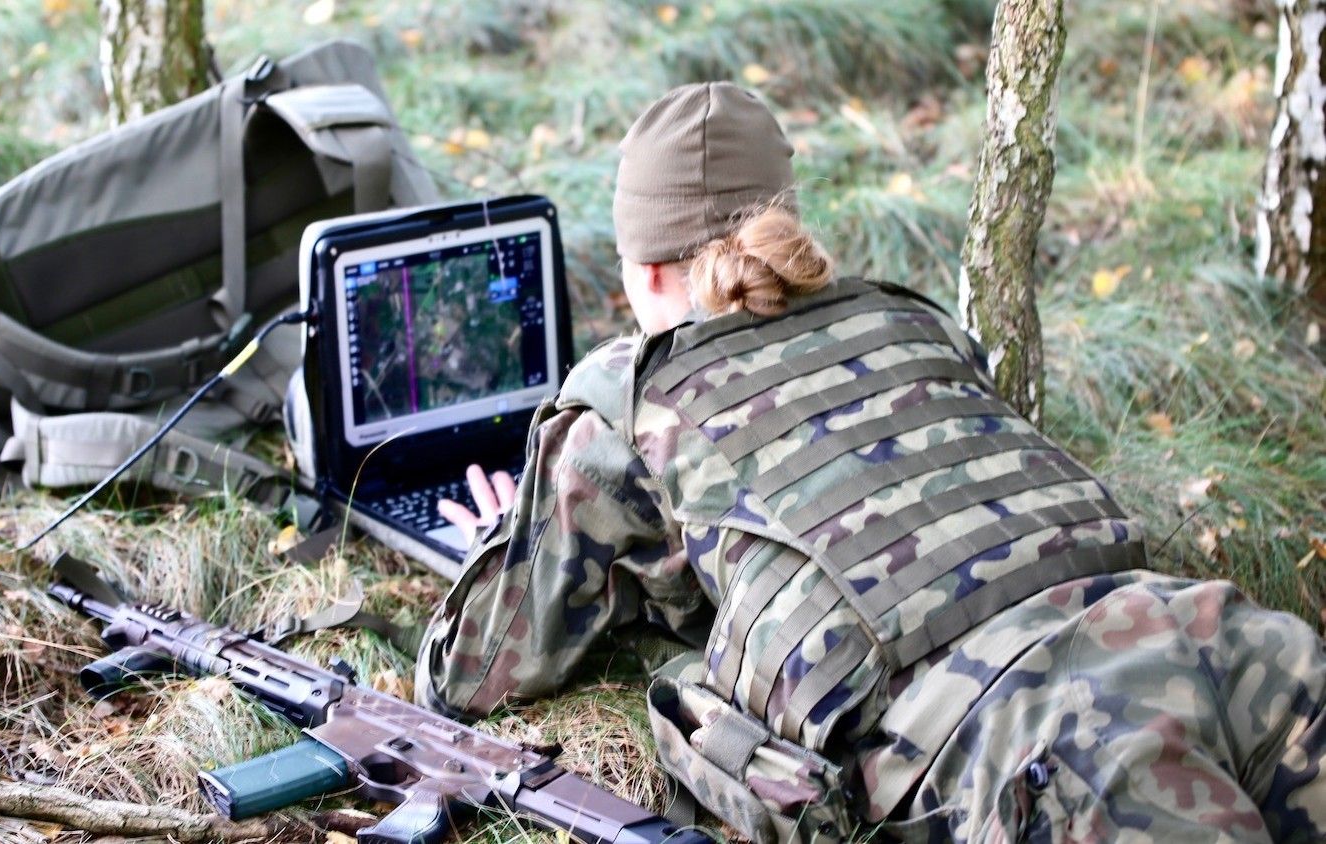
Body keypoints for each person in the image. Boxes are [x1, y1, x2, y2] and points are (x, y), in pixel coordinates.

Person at [413, 82, 1326, 842]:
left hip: (1048, 735)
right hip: (1221, 636)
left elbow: (469, 677)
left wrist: (504, 537)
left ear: (641, 272)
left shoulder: (629, 400)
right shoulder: (912, 320)